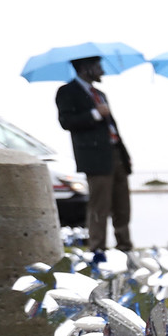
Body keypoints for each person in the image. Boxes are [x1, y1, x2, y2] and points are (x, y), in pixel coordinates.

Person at [55, 56, 133, 251]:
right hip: (94, 158)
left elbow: (112, 127)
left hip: (115, 154)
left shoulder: (100, 94)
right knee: (100, 204)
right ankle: (98, 248)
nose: (102, 70)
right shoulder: (67, 92)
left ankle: (124, 245)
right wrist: (95, 114)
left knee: (122, 204)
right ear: (85, 68)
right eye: (98, 66)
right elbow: (67, 122)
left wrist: (124, 153)